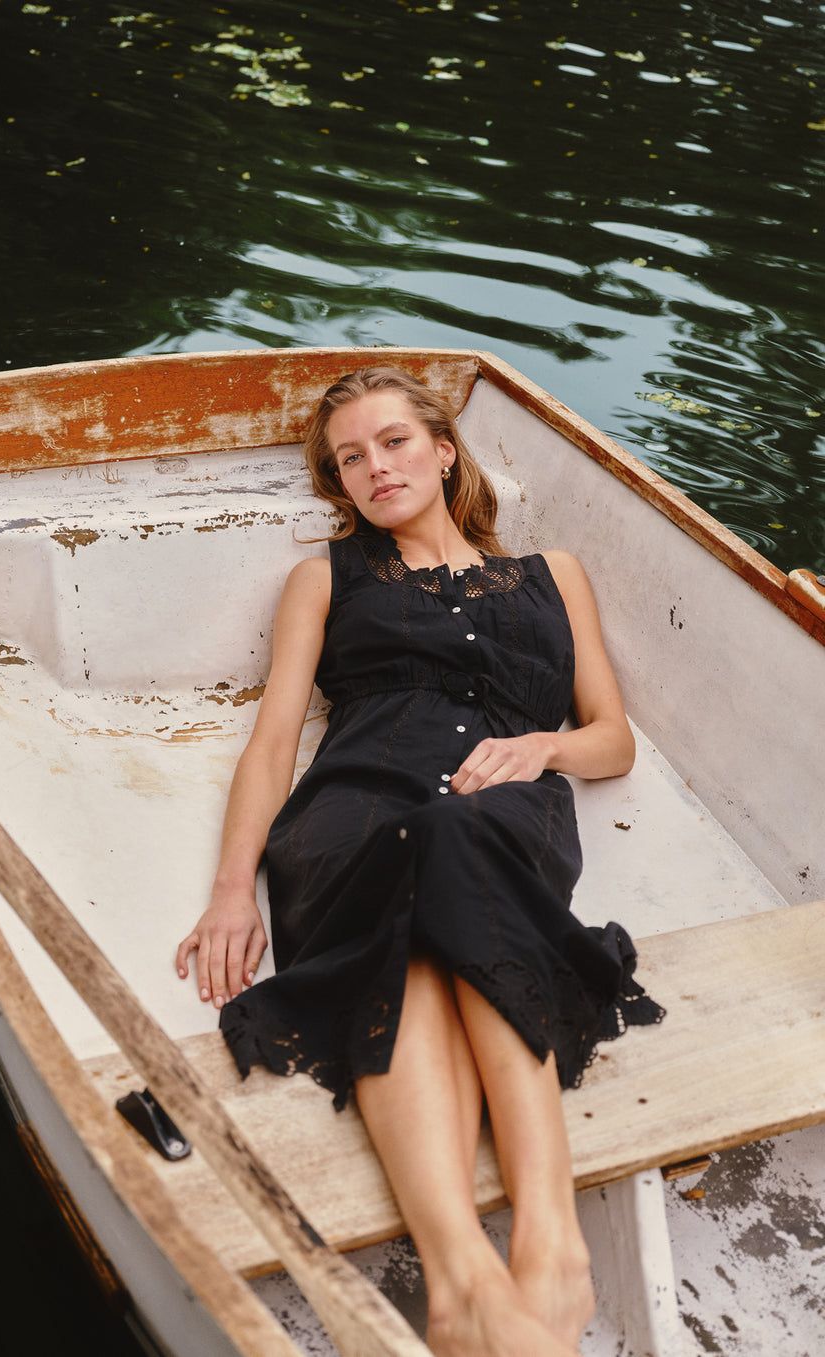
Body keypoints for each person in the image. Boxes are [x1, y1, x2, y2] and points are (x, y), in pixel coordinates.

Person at [176, 367, 663, 1357]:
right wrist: (233, 893)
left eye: (393, 441)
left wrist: (543, 748)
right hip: (356, 805)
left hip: (503, 806)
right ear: (340, 485)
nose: (374, 467)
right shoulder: (323, 578)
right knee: (416, 862)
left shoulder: (554, 573)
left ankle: (546, 1239)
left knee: (457, 835)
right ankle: (463, 1276)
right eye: (350, 458)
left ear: (444, 451)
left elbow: (612, 739)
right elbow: (274, 742)